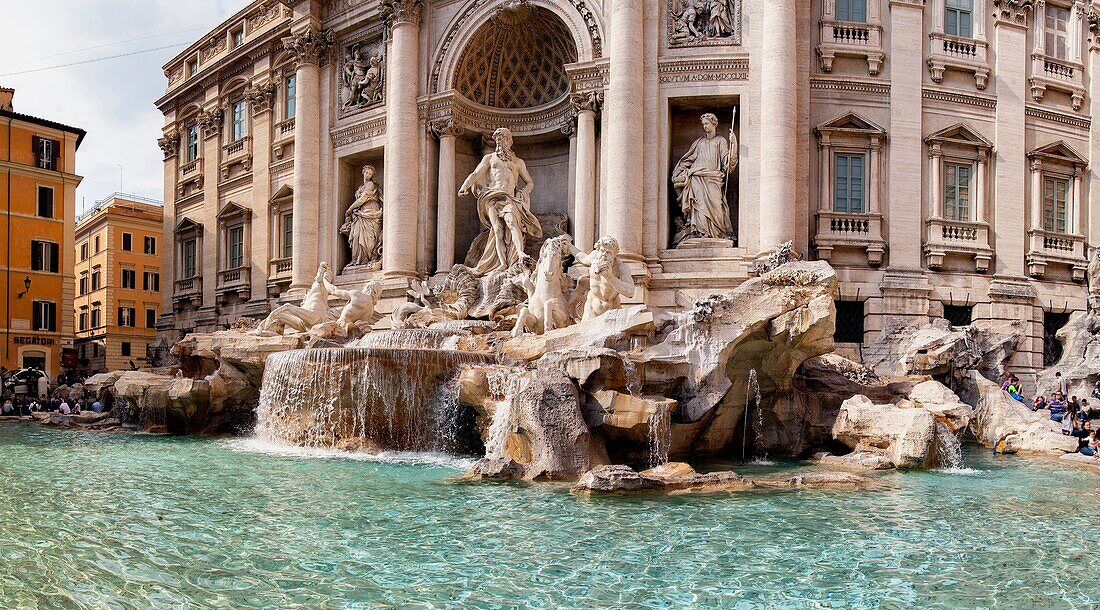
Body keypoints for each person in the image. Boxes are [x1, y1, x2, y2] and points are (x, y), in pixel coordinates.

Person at [459, 127, 542, 277]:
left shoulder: (517, 162)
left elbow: (529, 182)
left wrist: (523, 194)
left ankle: (521, 254)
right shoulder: (489, 158)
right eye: (498, 140)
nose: (500, 143)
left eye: (503, 139)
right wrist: (465, 186)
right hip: (492, 196)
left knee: (512, 223)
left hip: (508, 198)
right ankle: (503, 263)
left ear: (510, 141)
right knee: (497, 230)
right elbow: (476, 174)